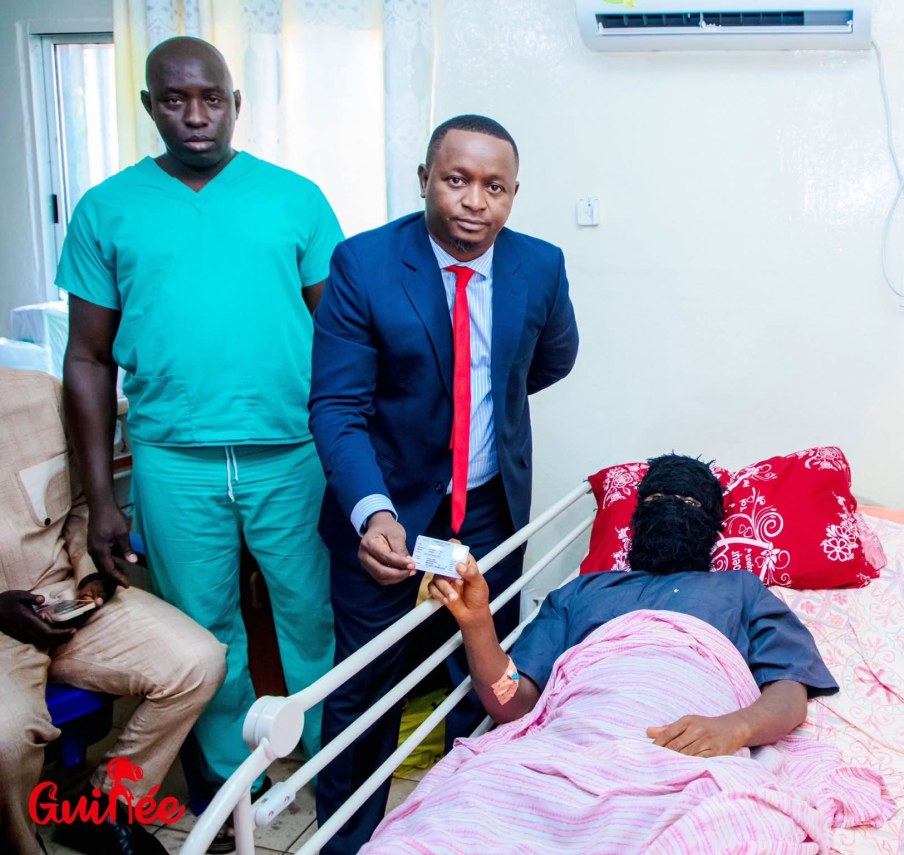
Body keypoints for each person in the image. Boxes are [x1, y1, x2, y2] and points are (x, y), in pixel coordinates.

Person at [59, 36, 341, 852]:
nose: (194, 115)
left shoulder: (294, 199)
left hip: (292, 451)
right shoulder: (108, 209)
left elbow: (341, 336)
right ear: (150, 105)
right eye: (175, 100)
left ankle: (332, 765)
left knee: (312, 617)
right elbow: (86, 358)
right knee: (205, 632)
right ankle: (229, 782)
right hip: (172, 460)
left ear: (234, 103)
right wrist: (101, 499)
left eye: (210, 98)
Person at [309, 113, 579, 853]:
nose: (474, 201)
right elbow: (336, 406)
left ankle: (471, 828)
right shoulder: (364, 264)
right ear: (425, 178)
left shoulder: (540, 265)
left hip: (489, 510)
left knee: (484, 673)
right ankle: (346, 842)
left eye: (495, 186)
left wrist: (484, 400)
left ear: (514, 194)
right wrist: (373, 512)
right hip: (388, 514)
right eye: (457, 180)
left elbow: (552, 358)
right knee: (366, 688)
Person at [431, 454, 839, 746]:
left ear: (714, 523)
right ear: (635, 516)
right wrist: (477, 622)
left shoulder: (740, 589)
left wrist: (737, 728)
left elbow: (789, 691)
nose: (671, 508)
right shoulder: (580, 592)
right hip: (576, 741)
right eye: (655, 499)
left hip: (693, 741)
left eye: (690, 502)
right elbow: (513, 706)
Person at [0, 368, 226, 855]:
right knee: (6, 737)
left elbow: (79, 504)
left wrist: (90, 572)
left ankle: (105, 808)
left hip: (63, 594)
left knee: (198, 661)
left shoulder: (39, 394)